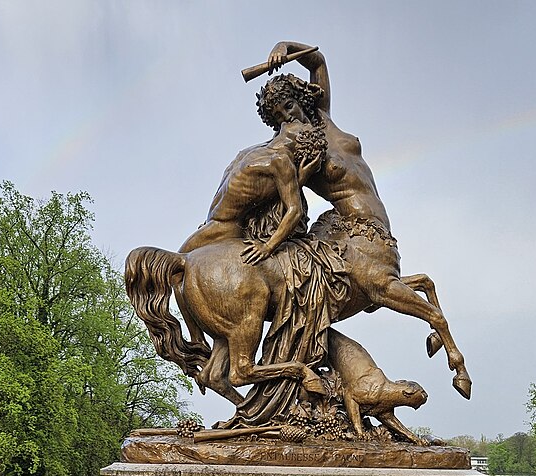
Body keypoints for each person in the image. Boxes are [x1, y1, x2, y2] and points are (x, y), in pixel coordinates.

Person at [256, 42, 471, 397]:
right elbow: (284, 193)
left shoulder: (323, 116)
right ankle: (454, 356)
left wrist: (286, 46)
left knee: (415, 283)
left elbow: (318, 60)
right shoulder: (296, 148)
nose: (289, 118)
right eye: (280, 117)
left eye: (290, 106)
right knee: (385, 287)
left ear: (301, 98)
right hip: (354, 233)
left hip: (378, 230)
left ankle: (436, 326)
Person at [180, 119, 326, 263]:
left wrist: (267, 247)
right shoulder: (258, 149)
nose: (299, 120)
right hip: (210, 223)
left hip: (225, 227)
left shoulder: (281, 161)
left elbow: (295, 210)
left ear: (302, 136)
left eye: (304, 125)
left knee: (176, 263)